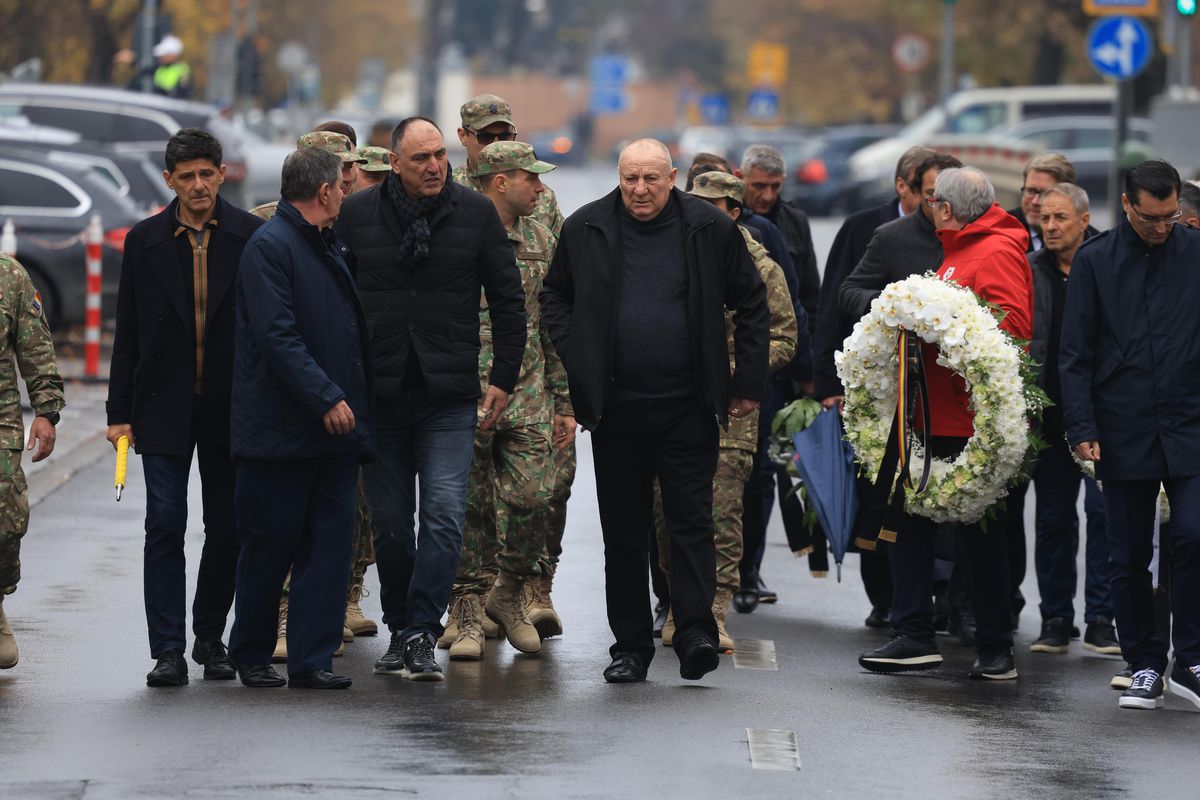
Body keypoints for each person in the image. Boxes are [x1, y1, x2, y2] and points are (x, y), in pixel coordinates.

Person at [540, 139, 769, 684]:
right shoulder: (587, 227)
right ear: (619, 178)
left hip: (688, 403)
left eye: (650, 178)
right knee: (624, 531)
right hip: (616, 407)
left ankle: (695, 633)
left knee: (691, 522)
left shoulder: (709, 228)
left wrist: (746, 383)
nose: (640, 190)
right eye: (630, 179)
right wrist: (580, 353)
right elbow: (555, 297)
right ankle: (630, 647)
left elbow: (752, 301)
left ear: (671, 176)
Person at [335, 117, 525, 682]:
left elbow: (508, 301)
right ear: (394, 163)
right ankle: (401, 627)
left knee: (443, 518)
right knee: (391, 524)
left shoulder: (475, 214)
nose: (435, 166)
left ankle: (420, 628)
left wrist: (503, 378)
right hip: (381, 395)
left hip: (448, 394)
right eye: (420, 158)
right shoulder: (356, 215)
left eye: (440, 154)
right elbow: (335, 300)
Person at [858, 167, 1033, 682]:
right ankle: (913, 632)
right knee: (911, 525)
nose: (930, 208)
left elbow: (1010, 331)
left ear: (947, 209)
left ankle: (995, 646)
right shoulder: (959, 249)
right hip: (929, 415)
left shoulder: (995, 251)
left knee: (982, 537)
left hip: (968, 423)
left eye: (934, 201)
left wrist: (940, 330)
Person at [107, 129, 263, 686]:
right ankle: (168, 649)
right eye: (187, 176)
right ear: (170, 181)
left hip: (230, 404)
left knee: (227, 527)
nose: (199, 185)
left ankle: (209, 638)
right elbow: (127, 329)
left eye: (207, 174)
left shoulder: (250, 236)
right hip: (161, 403)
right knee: (165, 524)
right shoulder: (145, 240)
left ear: (221, 174)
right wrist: (118, 412)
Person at [227, 147, 374, 691]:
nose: (347, 192)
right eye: (343, 184)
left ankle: (312, 659)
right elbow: (277, 337)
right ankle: (251, 653)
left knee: (329, 549)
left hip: (334, 435)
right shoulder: (271, 246)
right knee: (270, 547)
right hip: (281, 433)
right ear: (324, 191)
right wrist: (325, 397)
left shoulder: (324, 241)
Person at [1060, 160, 1200, 711]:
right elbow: (1075, 353)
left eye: (1170, 217)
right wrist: (1081, 426)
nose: (1161, 227)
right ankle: (1143, 664)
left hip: (1191, 421)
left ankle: (1190, 658)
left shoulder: (1196, 252)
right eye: (1150, 218)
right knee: (1127, 555)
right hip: (1122, 424)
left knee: (1194, 534)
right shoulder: (1095, 260)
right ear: (1126, 205)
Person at [653, 170, 795, 653]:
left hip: (732, 408)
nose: (699, 212)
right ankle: (678, 603)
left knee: (722, 509)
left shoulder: (761, 266)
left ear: (734, 213)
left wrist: (736, 368)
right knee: (667, 508)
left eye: (711, 206)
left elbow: (785, 337)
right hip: (674, 399)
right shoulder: (673, 252)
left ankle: (713, 609)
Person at [439, 141, 569, 661]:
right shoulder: (455, 231)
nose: (539, 187)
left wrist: (565, 400)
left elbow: (554, 320)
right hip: (465, 387)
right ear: (499, 182)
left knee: (537, 495)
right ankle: (467, 607)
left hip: (529, 386)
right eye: (529, 178)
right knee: (467, 505)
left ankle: (510, 591)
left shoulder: (541, 237)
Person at [813, 144, 933, 628]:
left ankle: (934, 598)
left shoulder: (952, 231)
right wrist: (827, 381)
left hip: (931, 393)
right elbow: (833, 301)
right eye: (927, 192)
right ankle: (882, 597)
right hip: (873, 384)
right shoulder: (866, 227)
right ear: (904, 186)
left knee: (926, 493)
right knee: (876, 494)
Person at [1026, 183, 1118, 657]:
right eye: (1045, 218)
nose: (1050, 226)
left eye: (1060, 217)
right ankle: (1056, 618)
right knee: (1054, 519)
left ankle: (1102, 618)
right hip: (1050, 414)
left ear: (1084, 219)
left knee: (1104, 517)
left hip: (1104, 416)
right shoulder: (1032, 267)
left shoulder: (1109, 260)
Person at [735, 144, 819, 611]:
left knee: (762, 473)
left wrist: (810, 374)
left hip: (776, 368)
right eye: (758, 186)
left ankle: (749, 568)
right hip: (737, 367)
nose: (766, 195)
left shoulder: (789, 224)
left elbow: (805, 299)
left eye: (774, 187)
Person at [0, 253, 64, 671]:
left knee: (5, 525)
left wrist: (46, 410)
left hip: (0, 421)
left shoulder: (8, 275)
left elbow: (35, 348)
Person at [453, 94, 564, 236]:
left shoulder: (543, 197)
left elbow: (562, 247)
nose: (497, 144)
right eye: (485, 137)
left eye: (505, 136)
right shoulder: (448, 191)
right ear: (463, 136)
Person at [250, 131, 367, 222]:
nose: (347, 178)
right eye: (339, 168)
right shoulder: (263, 219)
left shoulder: (363, 219)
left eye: (349, 167)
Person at [1008, 153, 1077, 253]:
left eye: (1045, 194)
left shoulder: (1087, 241)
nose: (1035, 202)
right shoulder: (1002, 229)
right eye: (1031, 191)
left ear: (1067, 196)